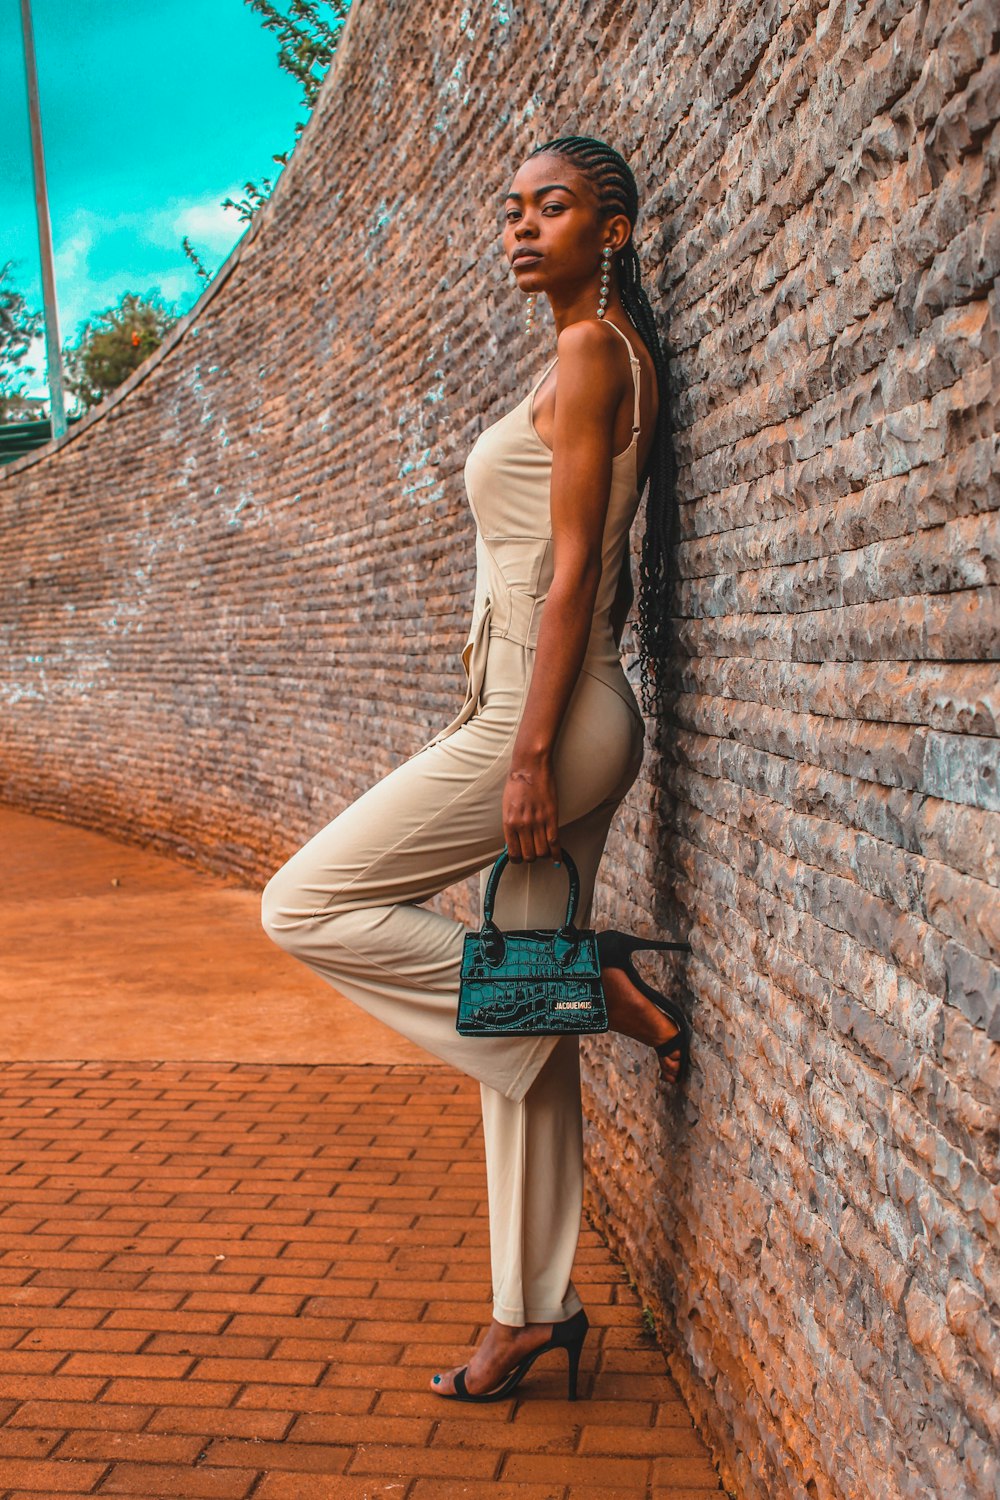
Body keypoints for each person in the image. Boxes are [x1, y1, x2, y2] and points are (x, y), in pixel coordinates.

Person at [260, 134, 690, 1403]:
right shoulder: (588, 356)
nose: (520, 228)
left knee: (308, 902)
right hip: (553, 707)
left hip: (543, 713)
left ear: (610, 231)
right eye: (510, 209)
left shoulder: (588, 353)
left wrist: (524, 753)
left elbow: (568, 580)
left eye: (550, 209)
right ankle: (531, 1309)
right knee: (518, 1036)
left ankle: (581, 986)